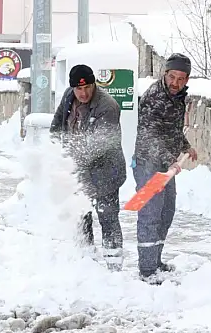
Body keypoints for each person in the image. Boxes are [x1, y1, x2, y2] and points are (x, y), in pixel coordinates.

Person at [50, 64, 127, 269]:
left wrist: (68, 161)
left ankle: (114, 266)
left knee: (107, 217)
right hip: (79, 171)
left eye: (87, 88)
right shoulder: (69, 96)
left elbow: (95, 147)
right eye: (78, 89)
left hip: (105, 172)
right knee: (80, 216)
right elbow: (57, 125)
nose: (83, 93)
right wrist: (53, 150)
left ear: (94, 84)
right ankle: (86, 264)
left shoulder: (107, 106)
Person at [132, 53, 198, 282]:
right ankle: (147, 270)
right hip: (147, 163)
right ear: (165, 74)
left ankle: (155, 261)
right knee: (150, 213)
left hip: (164, 165)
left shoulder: (177, 97)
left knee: (166, 212)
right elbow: (149, 135)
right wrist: (169, 158)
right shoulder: (154, 96)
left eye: (181, 79)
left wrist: (186, 146)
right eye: (172, 77)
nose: (176, 83)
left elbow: (171, 129)